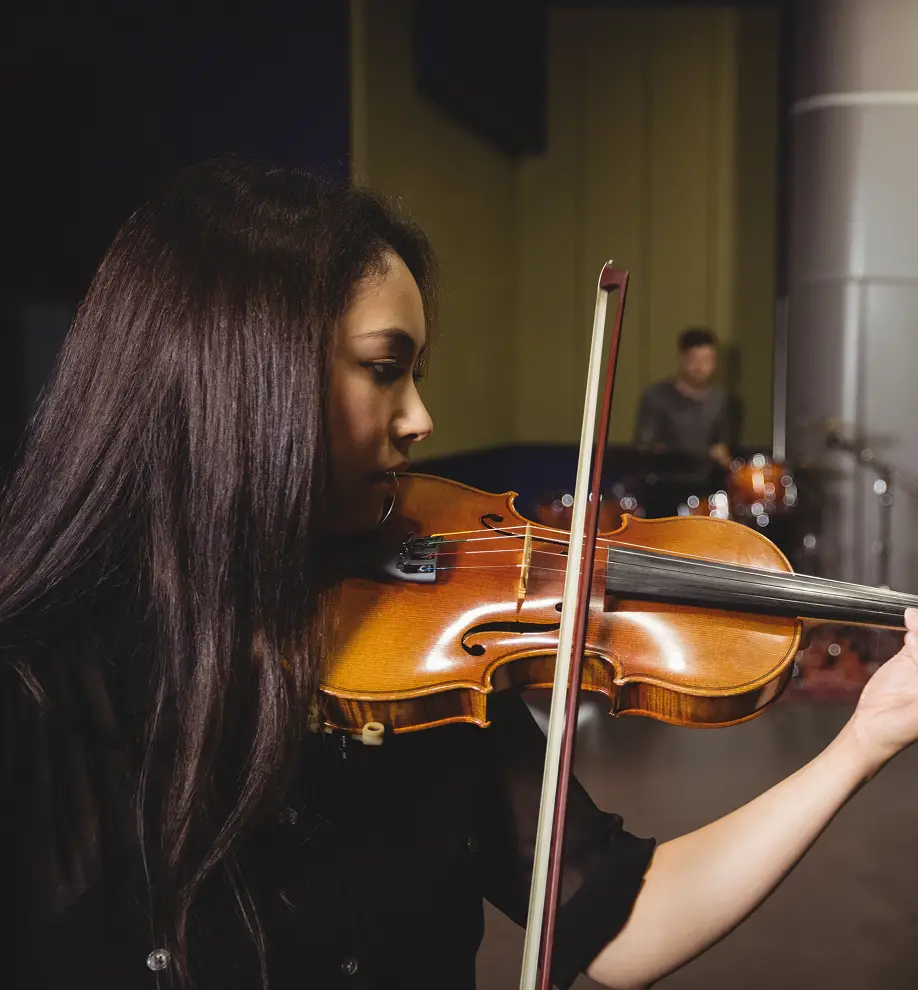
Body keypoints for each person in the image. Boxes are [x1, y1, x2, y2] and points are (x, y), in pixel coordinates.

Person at [3, 157, 918, 990]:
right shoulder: (45, 695)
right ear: (240, 379)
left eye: (416, 371)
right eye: (383, 370)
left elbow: (618, 919)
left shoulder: (425, 657)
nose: (421, 418)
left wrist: (863, 741)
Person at [634, 327, 733, 470]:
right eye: (694, 359)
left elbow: (724, 445)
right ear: (682, 359)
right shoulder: (657, 397)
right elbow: (644, 447)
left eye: (707, 360)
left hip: (708, 479)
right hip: (666, 478)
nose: (700, 367)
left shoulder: (721, 399)